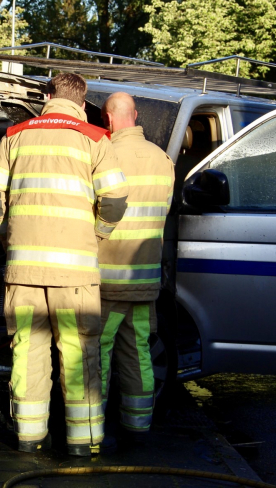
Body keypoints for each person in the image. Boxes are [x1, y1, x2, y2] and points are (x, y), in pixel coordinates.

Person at [0, 73, 129, 456]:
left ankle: (29, 438)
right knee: (79, 354)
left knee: (28, 350)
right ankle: (82, 443)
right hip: (75, 275)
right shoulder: (95, 138)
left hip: (23, 271)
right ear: (82, 102)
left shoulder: (14, 136)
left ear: (47, 96)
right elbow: (115, 199)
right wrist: (97, 235)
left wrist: (7, 235)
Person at [97, 92, 174, 444]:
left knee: (98, 351)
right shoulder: (163, 159)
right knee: (138, 350)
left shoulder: (105, 154)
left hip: (108, 280)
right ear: (136, 114)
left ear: (107, 118)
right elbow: (163, 213)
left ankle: (91, 427)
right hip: (145, 281)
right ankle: (138, 428)